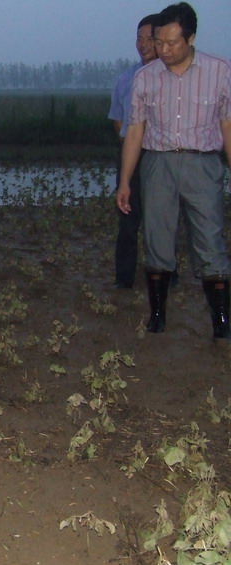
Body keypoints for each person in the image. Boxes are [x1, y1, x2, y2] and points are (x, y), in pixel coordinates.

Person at [116, 2, 231, 340]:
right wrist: (125, 181)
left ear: (190, 38)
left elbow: (227, 126)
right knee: (157, 241)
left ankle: (221, 322)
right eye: (159, 42)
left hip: (203, 163)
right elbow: (135, 130)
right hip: (158, 164)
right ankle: (157, 316)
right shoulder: (145, 77)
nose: (163, 50)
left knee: (210, 241)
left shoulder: (221, 72)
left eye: (171, 43)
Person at [108, 14, 158, 289]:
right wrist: (130, 146)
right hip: (131, 157)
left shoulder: (170, 77)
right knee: (127, 219)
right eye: (139, 38)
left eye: (150, 38)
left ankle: (165, 274)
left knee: (160, 219)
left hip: (160, 156)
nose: (143, 44)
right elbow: (118, 119)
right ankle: (124, 278)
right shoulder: (126, 78)